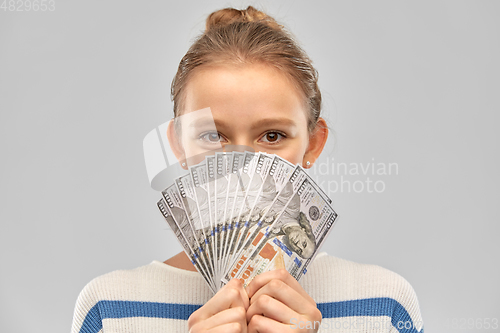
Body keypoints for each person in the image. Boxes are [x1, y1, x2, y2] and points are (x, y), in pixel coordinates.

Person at [71, 6, 424, 333]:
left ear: (313, 144)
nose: (242, 164)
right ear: (178, 145)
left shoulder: (383, 304)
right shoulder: (110, 309)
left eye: (272, 135)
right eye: (213, 135)